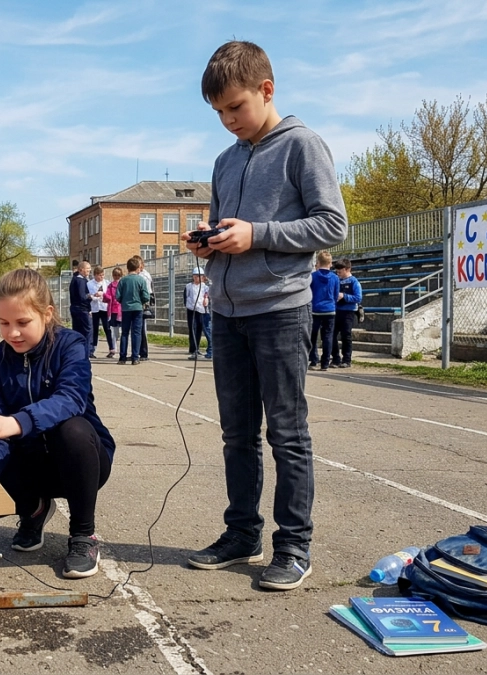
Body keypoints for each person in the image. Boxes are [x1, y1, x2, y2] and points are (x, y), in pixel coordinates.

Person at [183, 40, 347, 591]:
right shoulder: (225, 161)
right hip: (227, 313)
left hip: (280, 311)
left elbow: (331, 226)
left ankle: (294, 546)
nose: (228, 121)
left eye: (235, 107)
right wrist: (207, 244)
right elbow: (227, 228)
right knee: (236, 435)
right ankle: (241, 534)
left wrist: (257, 235)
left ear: (266, 90)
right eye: (219, 113)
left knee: (287, 433)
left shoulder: (302, 146)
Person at [0, 269, 116, 579]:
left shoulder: (70, 345)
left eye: (23, 323)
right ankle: (34, 509)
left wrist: (18, 422)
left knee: (72, 429)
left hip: (83, 462)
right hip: (31, 464)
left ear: (47, 314)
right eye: (3, 323)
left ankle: (83, 535)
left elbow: (72, 398)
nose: (13, 333)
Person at [115, 257, 151, 365]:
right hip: (138, 308)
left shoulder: (123, 280)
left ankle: (122, 357)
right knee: (136, 333)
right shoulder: (141, 280)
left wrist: (123, 301)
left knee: (125, 332)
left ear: (127, 268)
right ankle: (135, 357)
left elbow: (117, 296)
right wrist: (141, 302)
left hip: (126, 309)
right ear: (137, 268)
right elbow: (146, 296)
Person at [308, 251, 338, 372]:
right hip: (330, 310)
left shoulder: (313, 276)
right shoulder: (335, 278)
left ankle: (314, 360)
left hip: (315, 309)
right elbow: (336, 294)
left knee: (313, 337)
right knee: (328, 336)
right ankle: (325, 363)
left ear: (318, 263)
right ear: (330, 263)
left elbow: (309, 293)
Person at [332, 259, 362, 368]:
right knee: (331, 335)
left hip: (348, 311)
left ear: (347, 269)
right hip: (336, 310)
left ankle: (346, 359)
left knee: (346, 336)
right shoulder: (336, 280)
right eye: (337, 270)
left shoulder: (354, 281)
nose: (338, 273)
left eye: (340, 271)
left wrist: (344, 296)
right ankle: (335, 358)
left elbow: (358, 298)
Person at [184, 267, 213, 360]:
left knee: (205, 329)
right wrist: (189, 305)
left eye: (200, 276)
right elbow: (186, 297)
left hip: (203, 311)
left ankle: (210, 349)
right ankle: (194, 349)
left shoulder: (205, 287)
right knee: (193, 329)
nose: (198, 278)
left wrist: (206, 301)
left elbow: (207, 298)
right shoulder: (189, 286)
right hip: (192, 310)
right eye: (196, 276)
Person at [89, 267, 114, 358]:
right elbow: (90, 295)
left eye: (103, 275)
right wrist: (95, 296)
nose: (102, 277)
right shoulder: (89, 284)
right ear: (95, 275)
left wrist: (102, 296)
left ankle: (111, 348)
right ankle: (92, 349)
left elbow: (109, 295)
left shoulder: (107, 283)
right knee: (94, 329)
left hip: (104, 308)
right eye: (100, 275)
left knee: (107, 328)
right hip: (95, 308)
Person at [69, 261, 93, 352]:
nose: (89, 271)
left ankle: (77, 351)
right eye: (87, 269)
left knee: (77, 331)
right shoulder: (81, 281)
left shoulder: (74, 279)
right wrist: (91, 297)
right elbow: (82, 296)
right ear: (81, 270)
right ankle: (86, 351)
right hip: (82, 310)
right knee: (87, 331)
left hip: (74, 308)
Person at [133, 256, 152, 361]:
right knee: (137, 329)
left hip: (142, 304)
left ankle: (143, 352)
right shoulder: (137, 274)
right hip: (136, 303)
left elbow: (147, 292)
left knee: (141, 329)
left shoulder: (144, 275)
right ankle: (138, 351)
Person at [103, 267, 123, 356]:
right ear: (112, 275)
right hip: (113, 311)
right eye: (115, 275)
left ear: (121, 275)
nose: (116, 277)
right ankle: (113, 349)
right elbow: (107, 296)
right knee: (114, 331)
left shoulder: (123, 284)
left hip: (121, 311)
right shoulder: (110, 285)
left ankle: (123, 349)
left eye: (118, 275)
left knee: (122, 332)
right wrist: (104, 295)